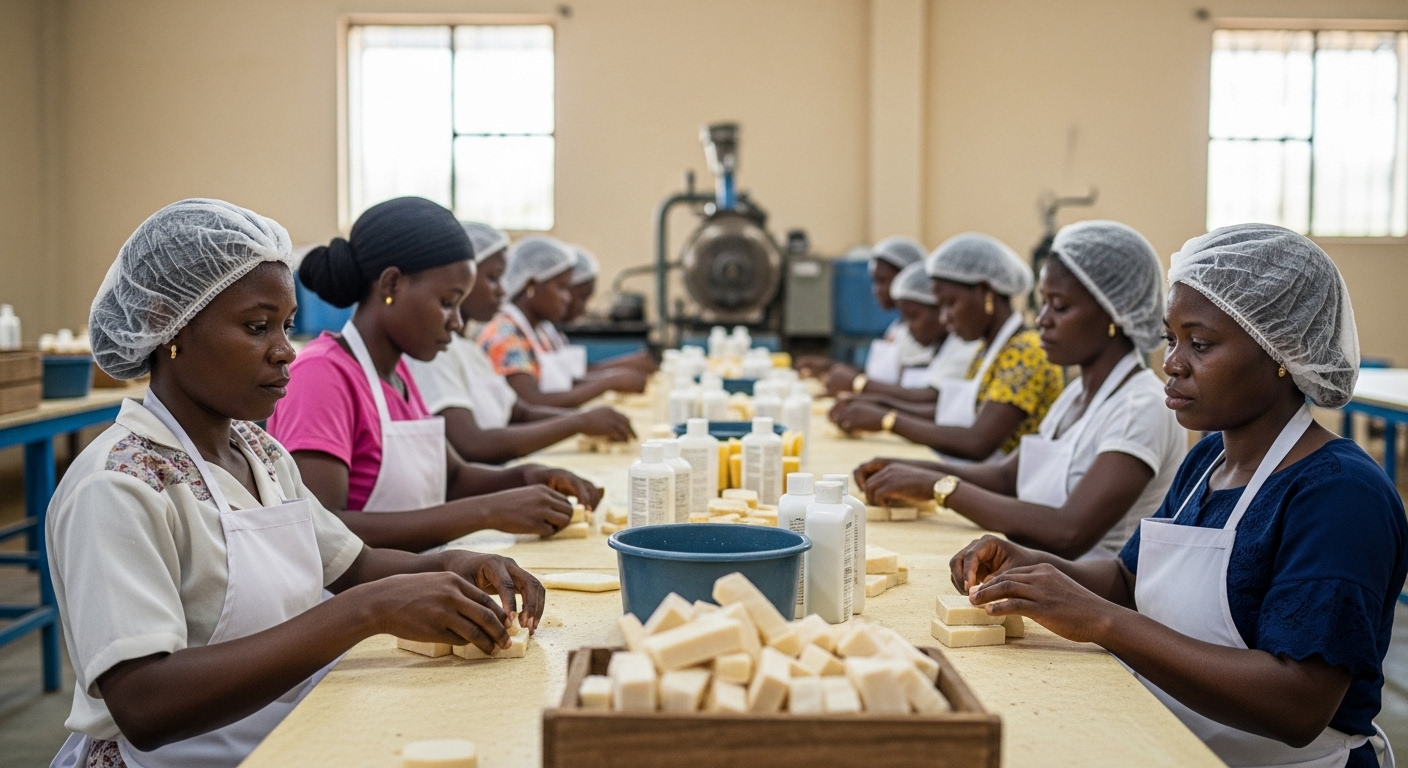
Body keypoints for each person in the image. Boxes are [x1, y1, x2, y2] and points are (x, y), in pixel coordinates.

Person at [49, 199, 543, 768]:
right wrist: (367, 611)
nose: (286, 350)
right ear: (168, 325)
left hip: (288, 743)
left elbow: (353, 564)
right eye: (257, 327)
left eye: (286, 326)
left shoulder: (258, 453)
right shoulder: (119, 485)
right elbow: (145, 703)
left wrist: (453, 564)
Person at [951, 225, 1405, 768]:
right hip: (1172, 744)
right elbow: (1130, 579)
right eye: (1171, 339)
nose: (1172, 363)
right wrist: (1032, 566)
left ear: (1283, 351)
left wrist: (1100, 621)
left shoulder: (1340, 494)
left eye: (1200, 344)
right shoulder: (1208, 459)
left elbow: (1297, 704)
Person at [267, 198, 602, 553]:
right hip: (366, 589)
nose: (456, 322)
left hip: (418, 578)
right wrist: (488, 512)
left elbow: (452, 477)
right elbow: (324, 530)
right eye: (447, 303)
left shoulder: (396, 374)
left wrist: (526, 476)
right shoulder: (321, 375)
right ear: (392, 284)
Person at [856, 221, 1186, 559]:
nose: (1042, 319)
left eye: (1059, 306)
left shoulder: (1140, 407)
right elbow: (1006, 477)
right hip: (1043, 572)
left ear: (1114, 313)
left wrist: (939, 487)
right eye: (1043, 304)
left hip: (1088, 586)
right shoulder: (1077, 394)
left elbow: (1068, 532)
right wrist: (907, 469)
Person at [405, 224, 635, 464]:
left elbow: (519, 412)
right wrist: (579, 421)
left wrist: (584, 419)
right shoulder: (436, 354)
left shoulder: (468, 348)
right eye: (493, 279)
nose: (502, 290)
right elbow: (472, 443)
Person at [831, 232, 1063, 463]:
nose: (944, 318)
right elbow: (946, 413)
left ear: (985, 292)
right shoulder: (987, 350)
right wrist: (878, 406)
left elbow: (977, 442)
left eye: (950, 304)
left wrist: (888, 420)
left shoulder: (1026, 352)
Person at [478, 236, 647, 408]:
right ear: (531, 286)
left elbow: (567, 381)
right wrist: (609, 382)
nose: (568, 298)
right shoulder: (505, 335)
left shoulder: (541, 330)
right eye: (562, 288)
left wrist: (616, 375)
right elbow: (532, 403)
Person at [822, 261, 980, 402]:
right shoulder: (917, 336)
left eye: (913, 317)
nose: (908, 327)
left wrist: (860, 385)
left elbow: (931, 398)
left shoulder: (965, 345)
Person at [796, 236, 932, 381]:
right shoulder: (898, 327)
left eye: (882, 281)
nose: (875, 290)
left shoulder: (923, 333)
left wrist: (855, 383)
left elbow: (907, 387)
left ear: (908, 279)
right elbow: (880, 376)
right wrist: (830, 367)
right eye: (874, 282)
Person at [538, 244, 656, 380]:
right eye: (582, 298)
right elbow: (560, 384)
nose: (583, 310)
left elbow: (573, 376)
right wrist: (615, 376)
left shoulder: (548, 331)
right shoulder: (524, 335)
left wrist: (623, 366)